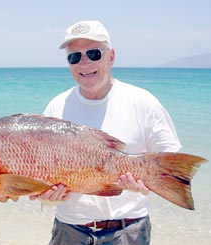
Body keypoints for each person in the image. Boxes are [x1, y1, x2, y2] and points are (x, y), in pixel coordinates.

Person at [41, 20, 181, 244]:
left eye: (93, 53)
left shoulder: (143, 102)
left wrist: (144, 185)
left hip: (127, 231)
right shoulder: (56, 107)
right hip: (69, 230)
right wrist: (48, 198)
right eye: (74, 56)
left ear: (111, 56)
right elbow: (45, 175)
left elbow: (172, 166)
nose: (84, 63)